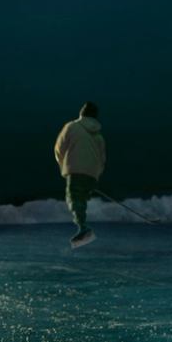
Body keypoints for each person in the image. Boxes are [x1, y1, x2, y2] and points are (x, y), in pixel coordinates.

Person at [54, 102, 106, 247]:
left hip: (75, 169)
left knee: (74, 197)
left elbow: (59, 149)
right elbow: (102, 159)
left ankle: (83, 229)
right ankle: (83, 227)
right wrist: (95, 175)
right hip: (92, 174)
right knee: (81, 198)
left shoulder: (71, 127)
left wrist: (63, 167)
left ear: (81, 114)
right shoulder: (99, 136)